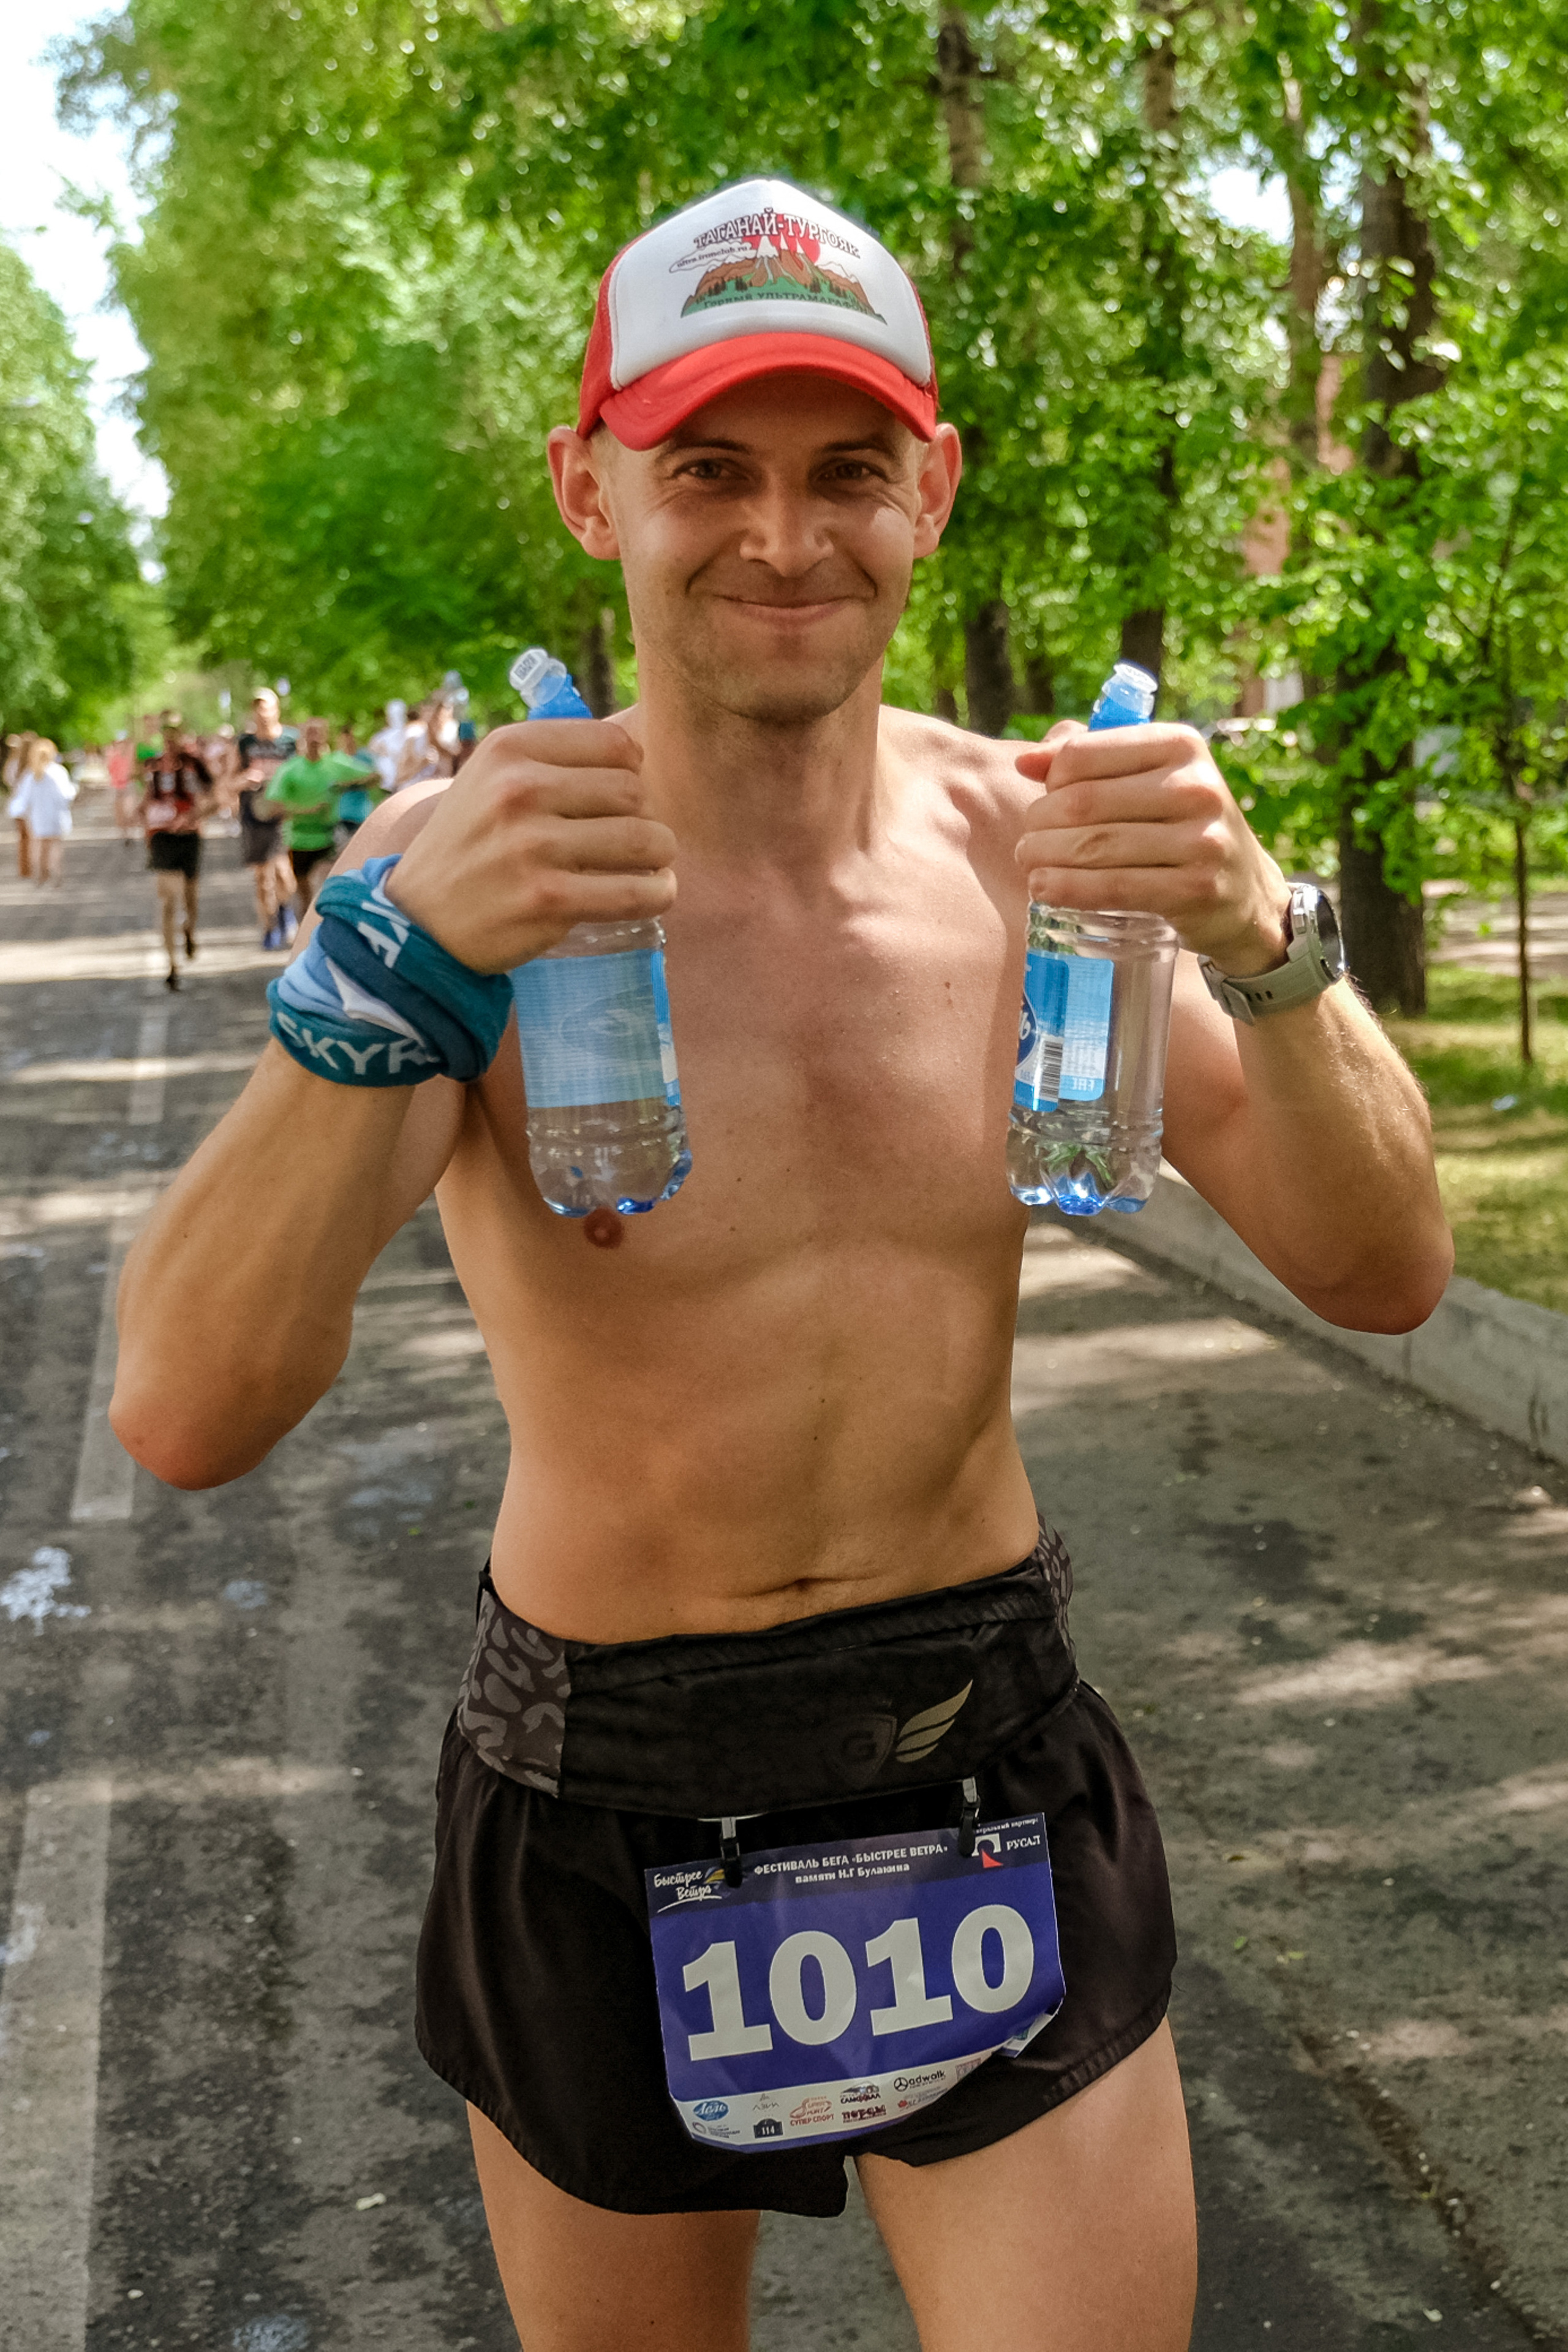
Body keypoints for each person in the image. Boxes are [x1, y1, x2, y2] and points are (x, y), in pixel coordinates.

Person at [110, 179, 1452, 2352]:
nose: (782, 537)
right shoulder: (464, 880)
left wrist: (1271, 941)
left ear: (933, 487)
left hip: (982, 1742)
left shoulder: (1042, 850)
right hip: (600, 1772)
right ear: (591, 487)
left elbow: (1383, 1270)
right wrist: (390, 974)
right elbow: (185, 1408)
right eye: (707, 469)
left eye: (845, 472)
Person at [260, 715, 367, 912]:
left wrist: (346, 786)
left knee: (325, 886)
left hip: (329, 836)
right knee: (305, 897)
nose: (315, 737)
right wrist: (306, 810)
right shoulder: (290, 769)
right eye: (310, 732)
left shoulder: (336, 763)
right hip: (299, 839)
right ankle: (304, 928)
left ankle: (325, 925)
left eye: (319, 732)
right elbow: (270, 808)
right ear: (302, 736)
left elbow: (375, 776)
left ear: (326, 736)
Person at [139, 717, 213, 989]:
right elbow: (147, 799)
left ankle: (189, 930)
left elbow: (215, 798)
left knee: (190, 899)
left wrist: (194, 816)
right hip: (162, 838)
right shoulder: (154, 768)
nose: (170, 741)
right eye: (166, 736)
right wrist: (143, 814)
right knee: (168, 900)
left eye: (175, 735)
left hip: (189, 837)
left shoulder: (195, 766)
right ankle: (172, 964)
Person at [235, 690, 299, 949]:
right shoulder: (244, 744)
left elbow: (303, 773)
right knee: (262, 878)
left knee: (284, 874)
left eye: (266, 707)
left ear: (277, 710)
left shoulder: (291, 742)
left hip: (285, 815)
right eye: (257, 708)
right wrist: (245, 779)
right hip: (254, 815)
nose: (262, 713)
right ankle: (269, 927)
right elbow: (230, 779)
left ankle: (285, 908)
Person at [10, 738, 75, 883]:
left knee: (38, 846)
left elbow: (24, 798)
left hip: (37, 816)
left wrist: (18, 812)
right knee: (55, 846)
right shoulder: (58, 772)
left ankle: (40, 874)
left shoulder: (31, 774)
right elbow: (66, 794)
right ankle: (57, 874)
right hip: (56, 816)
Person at [332, 723, 382, 844]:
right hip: (342, 814)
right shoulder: (336, 759)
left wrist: (355, 782)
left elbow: (376, 777)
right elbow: (334, 784)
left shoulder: (364, 757)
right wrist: (359, 781)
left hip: (362, 813)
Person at [4, 731, 38, 876]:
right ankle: (37, 865)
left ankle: (24, 868)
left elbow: (7, 779)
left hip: (18, 806)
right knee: (36, 838)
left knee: (23, 839)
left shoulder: (14, 764)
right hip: (33, 806)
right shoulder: (36, 766)